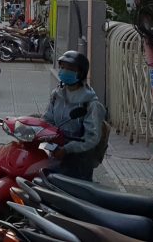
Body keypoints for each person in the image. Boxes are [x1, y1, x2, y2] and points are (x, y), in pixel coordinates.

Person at [43, 51, 107, 181]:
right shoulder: (57, 94)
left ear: (81, 73)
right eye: (62, 67)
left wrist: (66, 149)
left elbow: (91, 138)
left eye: (70, 68)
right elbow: (47, 119)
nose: (64, 71)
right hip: (56, 152)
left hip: (79, 160)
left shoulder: (90, 103)